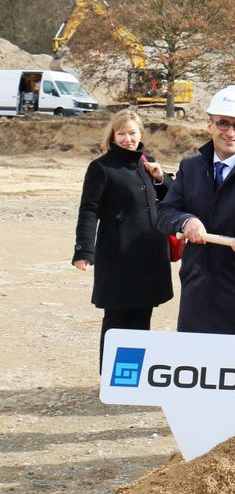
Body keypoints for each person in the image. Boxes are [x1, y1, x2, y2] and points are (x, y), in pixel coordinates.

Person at [157, 85, 235, 335]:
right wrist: (186, 222)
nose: (230, 132)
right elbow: (165, 212)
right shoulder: (190, 167)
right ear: (210, 125)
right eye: (223, 123)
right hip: (198, 289)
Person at [73, 110, 173, 365]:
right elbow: (89, 209)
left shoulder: (147, 162)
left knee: (142, 316)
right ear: (113, 136)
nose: (128, 139)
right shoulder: (101, 167)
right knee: (117, 318)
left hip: (149, 254)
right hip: (118, 255)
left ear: (140, 134)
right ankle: (111, 375)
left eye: (132, 133)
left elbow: (172, 196)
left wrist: (160, 178)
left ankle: (134, 375)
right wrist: (84, 250)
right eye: (122, 134)